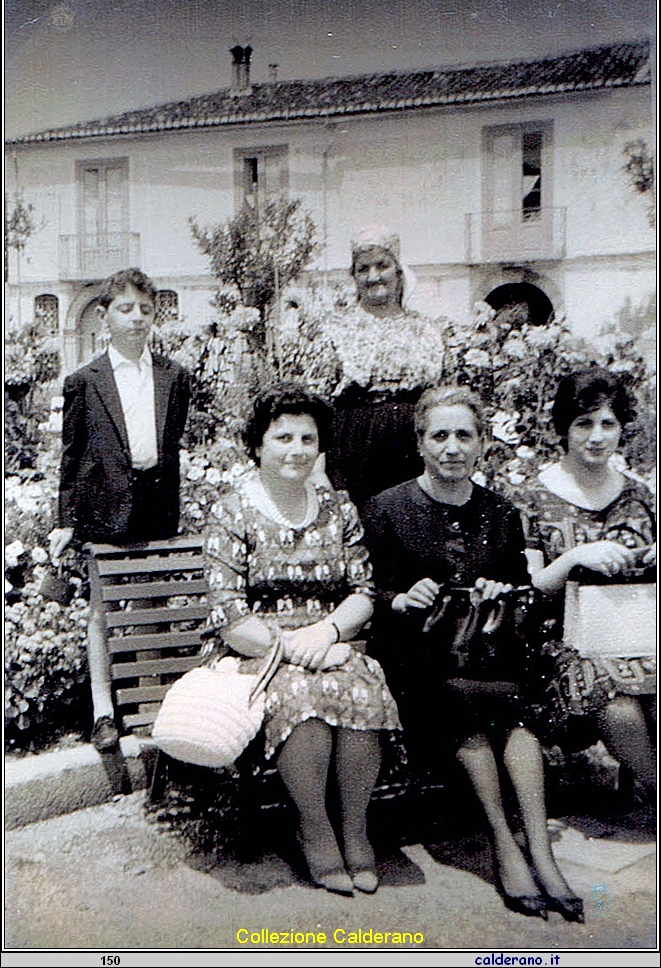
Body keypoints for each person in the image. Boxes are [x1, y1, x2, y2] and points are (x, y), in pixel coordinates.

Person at [362, 385, 583, 921]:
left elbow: (518, 592)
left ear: (483, 443)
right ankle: (505, 846)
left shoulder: (500, 514)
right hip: (419, 665)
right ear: (420, 443)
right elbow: (371, 593)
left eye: (465, 434)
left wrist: (497, 589)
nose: (452, 447)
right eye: (439, 435)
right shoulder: (386, 508)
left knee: (516, 713)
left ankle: (542, 852)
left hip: (488, 656)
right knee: (467, 709)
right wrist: (402, 598)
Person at [200, 385, 400, 895]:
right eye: (282, 436)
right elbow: (229, 614)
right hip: (256, 650)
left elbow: (363, 592)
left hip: (330, 641)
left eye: (307, 438)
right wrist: (296, 647)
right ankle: (315, 827)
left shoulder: (339, 509)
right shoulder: (231, 511)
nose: (296, 449)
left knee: (363, 684)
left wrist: (328, 631)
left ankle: (354, 827)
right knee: (299, 697)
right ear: (258, 445)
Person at [48, 268, 190, 752]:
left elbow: (171, 442)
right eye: (125, 309)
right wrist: (65, 519)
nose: (137, 319)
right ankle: (104, 711)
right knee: (100, 611)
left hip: (155, 505)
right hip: (103, 507)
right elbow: (71, 454)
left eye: (145, 310)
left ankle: (152, 705)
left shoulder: (174, 376)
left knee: (152, 601)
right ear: (104, 315)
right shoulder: (84, 382)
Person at [519, 369, 656, 801]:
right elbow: (530, 587)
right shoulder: (529, 496)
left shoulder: (641, 495)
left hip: (639, 635)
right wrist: (574, 557)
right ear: (563, 427)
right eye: (584, 423)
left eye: (608, 424)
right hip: (563, 645)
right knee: (618, 707)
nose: (597, 437)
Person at [322, 224, 445, 508]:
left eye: (382, 265)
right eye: (363, 269)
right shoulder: (335, 328)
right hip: (354, 446)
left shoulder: (425, 329)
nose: (373, 276)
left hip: (411, 444)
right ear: (353, 276)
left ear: (398, 270)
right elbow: (319, 404)